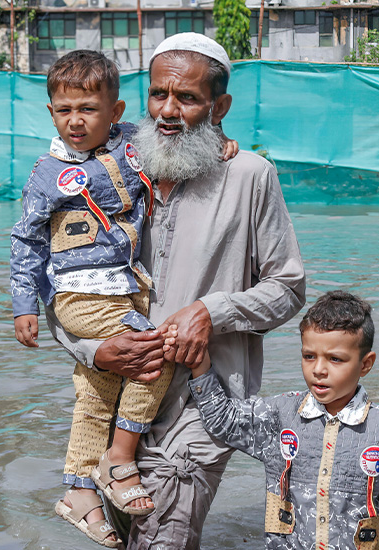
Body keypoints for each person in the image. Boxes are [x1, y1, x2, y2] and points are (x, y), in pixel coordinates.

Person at [50, 32, 309, 550]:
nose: (168, 111)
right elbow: (64, 282)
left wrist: (213, 311)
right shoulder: (112, 171)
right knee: (125, 539)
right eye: (158, 95)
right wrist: (94, 349)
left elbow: (288, 287)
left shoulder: (249, 176)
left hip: (202, 400)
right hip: (114, 391)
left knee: (159, 543)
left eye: (187, 98)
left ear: (220, 106)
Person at [10, 50, 162, 547]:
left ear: (115, 112)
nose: (75, 121)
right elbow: (27, 240)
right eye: (63, 109)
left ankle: (78, 491)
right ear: (51, 111)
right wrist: (24, 305)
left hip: (128, 287)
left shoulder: (135, 143)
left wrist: (223, 145)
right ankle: (120, 460)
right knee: (154, 355)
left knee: (96, 390)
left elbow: (179, 134)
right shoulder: (47, 173)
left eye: (89, 109)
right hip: (80, 292)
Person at [189, 291, 379, 550]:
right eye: (309, 356)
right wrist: (200, 365)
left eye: (335, 359)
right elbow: (223, 420)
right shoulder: (281, 415)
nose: (318, 369)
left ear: (365, 364)